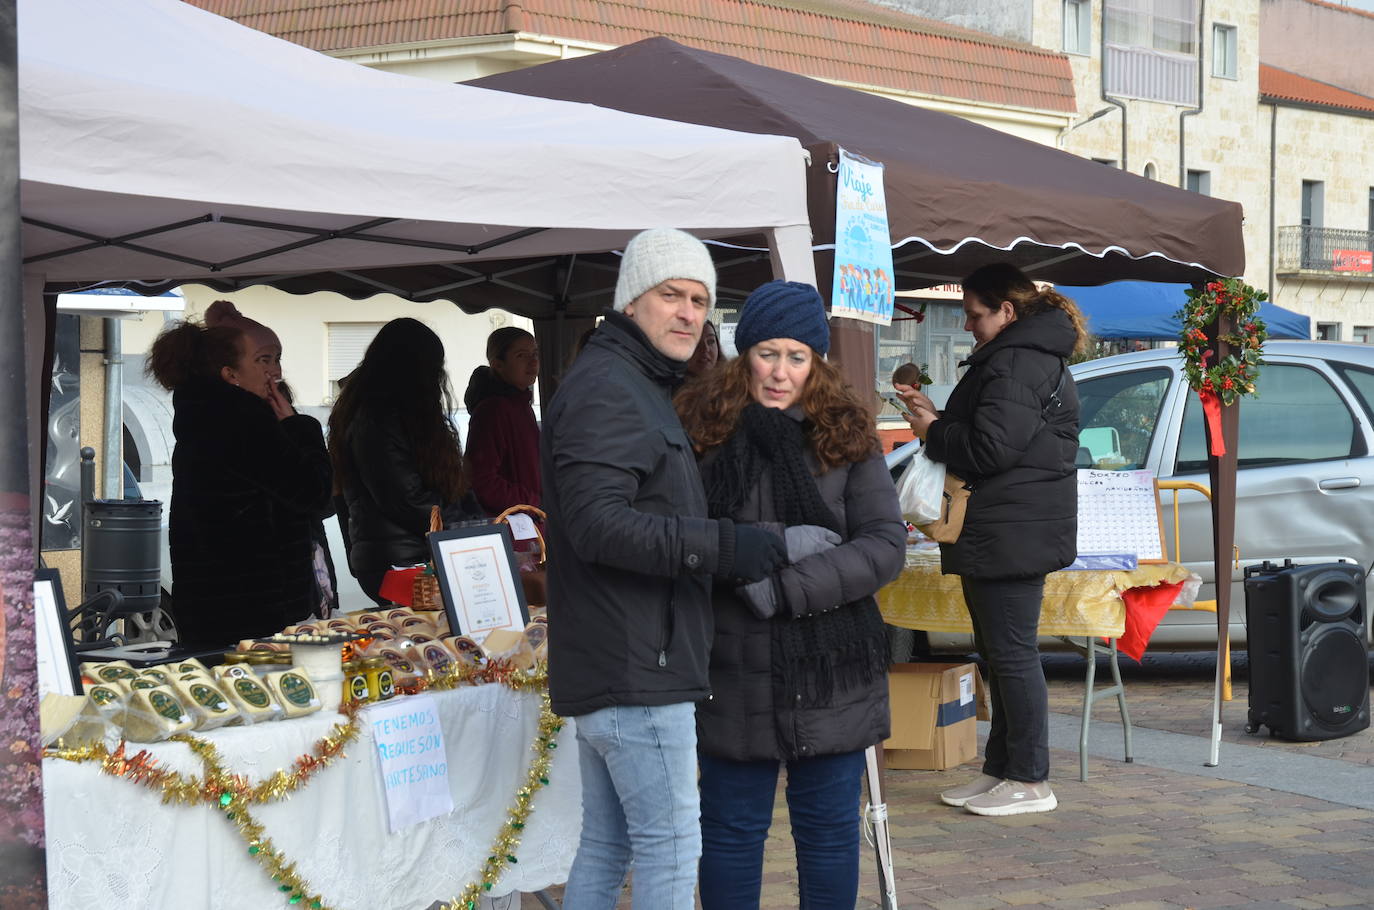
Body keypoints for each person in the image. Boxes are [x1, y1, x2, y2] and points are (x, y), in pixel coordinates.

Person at [541, 228, 787, 910]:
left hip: (627, 660)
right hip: (635, 667)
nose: (688, 313)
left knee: (609, 844)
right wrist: (721, 546)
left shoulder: (634, 382)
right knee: (671, 845)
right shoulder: (610, 388)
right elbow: (598, 525)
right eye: (670, 294)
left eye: (700, 300)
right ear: (630, 302)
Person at [676, 280, 905, 910]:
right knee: (730, 831)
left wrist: (783, 588)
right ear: (742, 352)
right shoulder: (701, 429)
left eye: (797, 357)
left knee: (829, 834)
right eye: (767, 354)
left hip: (831, 667)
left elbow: (884, 545)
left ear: (817, 361)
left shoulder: (847, 431)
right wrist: (771, 544)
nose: (780, 373)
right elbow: (680, 537)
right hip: (730, 664)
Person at [896, 262, 1085, 817]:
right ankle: (1002, 769)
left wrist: (932, 431)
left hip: (1012, 528)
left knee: (1012, 655)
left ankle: (1029, 779)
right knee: (1001, 656)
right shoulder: (1018, 357)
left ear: (1007, 310)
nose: (968, 326)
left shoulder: (1017, 361)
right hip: (1007, 525)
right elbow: (994, 438)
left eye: (975, 315)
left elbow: (988, 451)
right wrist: (936, 419)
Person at [146, 301, 332, 647]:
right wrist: (300, 428)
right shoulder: (242, 422)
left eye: (277, 358)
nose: (275, 371)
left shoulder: (205, 415)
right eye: (263, 359)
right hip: (252, 614)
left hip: (219, 609)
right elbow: (316, 495)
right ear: (229, 373)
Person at [327, 318, 483, 605]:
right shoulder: (376, 418)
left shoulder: (383, 413)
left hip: (404, 553)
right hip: (401, 560)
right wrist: (467, 527)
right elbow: (404, 498)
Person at [464, 327, 542, 514]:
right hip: (513, 528)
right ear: (498, 364)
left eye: (535, 354)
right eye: (521, 355)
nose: (533, 362)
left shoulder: (522, 405)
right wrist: (533, 503)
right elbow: (483, 481)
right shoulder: (492, 411)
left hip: (532, 522)